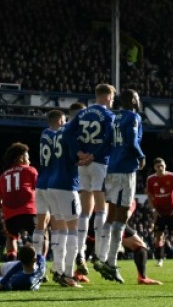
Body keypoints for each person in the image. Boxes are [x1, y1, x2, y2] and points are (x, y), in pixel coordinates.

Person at [94, 89, 145, 284]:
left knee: (111, 215)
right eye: (138, 98)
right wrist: (141, 155)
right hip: (125, 170)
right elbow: (132, 140)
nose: (139, 101)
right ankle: (111, 263)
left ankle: (100, 256)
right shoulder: (133, 116)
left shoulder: (114, 118)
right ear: (133, 100)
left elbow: (106, 141)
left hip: (111, 169)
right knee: (121, 217)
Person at [73, 85, 115, 278]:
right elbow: (109, 141)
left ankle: (80, 251)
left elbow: (70, 135)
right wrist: (92, 156)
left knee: (84, 211)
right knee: (101, 209)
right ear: (107, 97)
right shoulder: (108, 116)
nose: (112, 101)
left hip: (82, 164)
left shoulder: (82, 113)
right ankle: (99, 253)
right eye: (112, 97)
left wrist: (80, 153)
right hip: (99, 163)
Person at [46, 107, 86, 287]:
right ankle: (69, 275)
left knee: (61, 231)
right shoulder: (73, 132)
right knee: (73, 231)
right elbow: (75, 158)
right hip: (66, 185)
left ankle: (58, 269)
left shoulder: (57, 132)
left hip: (53, 184)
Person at [32, 110, 65, 265]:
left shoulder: (44, 134)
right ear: (59, 120)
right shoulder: (57, 136)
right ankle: (58, 265)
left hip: (41, 182)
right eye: (63, 121)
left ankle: (36, 260)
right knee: (57, 224)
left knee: (40, 224)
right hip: (53, 182)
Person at [0, 143, 38, 262]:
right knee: (41, 236)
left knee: (11, 237)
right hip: (29, 211)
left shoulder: (2, 176)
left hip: (10, 215)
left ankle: (11, 262)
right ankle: (40, 263)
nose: (29, 161)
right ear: (21, 158)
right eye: (27, 158)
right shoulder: (30, 170)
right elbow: (40, 190)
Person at [146, 157, 173, 267]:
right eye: (157, 166)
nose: (160, 168)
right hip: (159, 212)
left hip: (171, 211)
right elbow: (149, 195)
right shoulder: (150, 179)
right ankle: (160, 260)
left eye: (161, 165)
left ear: (165, 166)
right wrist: (153, 210)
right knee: (159, 236)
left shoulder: (172, 176)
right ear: (154, 168)